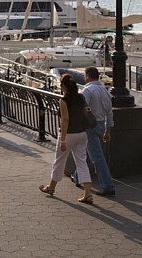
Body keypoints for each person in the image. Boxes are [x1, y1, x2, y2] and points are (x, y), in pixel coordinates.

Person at [39, 73, 94, 204]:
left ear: (64, 86)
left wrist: (63, 140)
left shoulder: (63, 101)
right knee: (82, 162)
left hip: (69, 134)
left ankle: (51, 187)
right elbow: (85, 113)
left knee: (59, 161)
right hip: (82, 133)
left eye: (61, 85)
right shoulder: (81, 97)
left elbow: (65, 120)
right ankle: (88, 193)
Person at [71, 66, 116, 196]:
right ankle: (78, 176)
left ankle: (108, 185)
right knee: (92, 153)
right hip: (102, 125)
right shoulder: (105, 91)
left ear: (88, 77)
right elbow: (109, 112)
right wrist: (108, 130)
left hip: (90, 125)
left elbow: (81, 109)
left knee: (97, 157)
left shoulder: (87, 90)